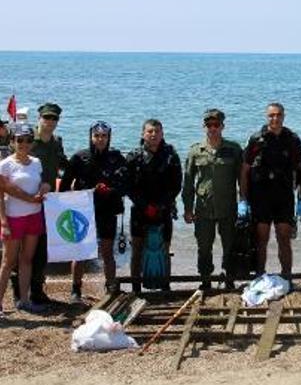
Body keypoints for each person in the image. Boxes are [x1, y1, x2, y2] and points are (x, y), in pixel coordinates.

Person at [59, 121, 128, 301]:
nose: (100, 139)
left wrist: (111, 190)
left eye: (104, 136)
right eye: (96, 136)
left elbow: (125, 185)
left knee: (107, 252)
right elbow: (64, 185)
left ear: (109, 137)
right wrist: (65, 206)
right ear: (91, 136)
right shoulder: (80, 157)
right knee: (80, 251)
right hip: (84, 212)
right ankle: (75, 289)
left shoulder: (116, 158)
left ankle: (110, 286)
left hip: (107, 211)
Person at [240, 103, 301, 282]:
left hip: (284, 196)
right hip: (260, 196)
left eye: (278, 115)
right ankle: (260, 275)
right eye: (271, 115)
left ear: (283, 116)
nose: (274, 119)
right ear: (266, 116)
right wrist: (243, 199)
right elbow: (244, 170)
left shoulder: (292, 139)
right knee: (261, 238)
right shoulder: (256, 139)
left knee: (284, 237)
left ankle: (287, 276)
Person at [183, 109, 243, 290]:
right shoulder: (195, 151)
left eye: (216, 125)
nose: (212, 128)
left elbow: (242, 179)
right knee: (203, 246)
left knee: (230, 245)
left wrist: (244, 203)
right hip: (203, 208)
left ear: (222, 126)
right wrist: (187, 208)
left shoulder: (233, 149)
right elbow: (188, 182)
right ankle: (205, 279)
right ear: (204, 127)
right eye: (209, 125)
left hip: (228, 208)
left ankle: (229, 278)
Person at [20, 103, 68, 305]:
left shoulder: (57, 142)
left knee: (42, 248)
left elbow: (63, 165)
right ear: (39, 118)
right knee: (25, 248)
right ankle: (19, 289)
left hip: (50, 201)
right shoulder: (30, 141)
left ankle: (37, 290)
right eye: (46, 118)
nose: (50, 122)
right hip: (28, 200)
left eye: (53, 118)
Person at [0, 124, 50, 316]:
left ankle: (24, 300)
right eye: (19, 140)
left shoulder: (37, 162)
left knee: (27, 259)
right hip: (14, 217)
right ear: (12, 142)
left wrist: (45, 186)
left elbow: (41, 183)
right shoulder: (5, 165)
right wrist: (3, 221)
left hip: (34, 215)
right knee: (8, 262)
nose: (24, 144)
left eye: (28, 140)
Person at [126, 119, 182, 292]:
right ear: (143, 134)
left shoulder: (171, 154)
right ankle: (136, 287)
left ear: (162, 134)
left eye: (157, 131)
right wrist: (144, 206)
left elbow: (177, 184)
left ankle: (165, 285)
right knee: (137, 249)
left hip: (163, 209)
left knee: (164, 248)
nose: (153, 135)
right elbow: (128, 186)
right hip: (140, 210)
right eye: (150, 131)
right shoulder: (134, 156)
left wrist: (162, 205)